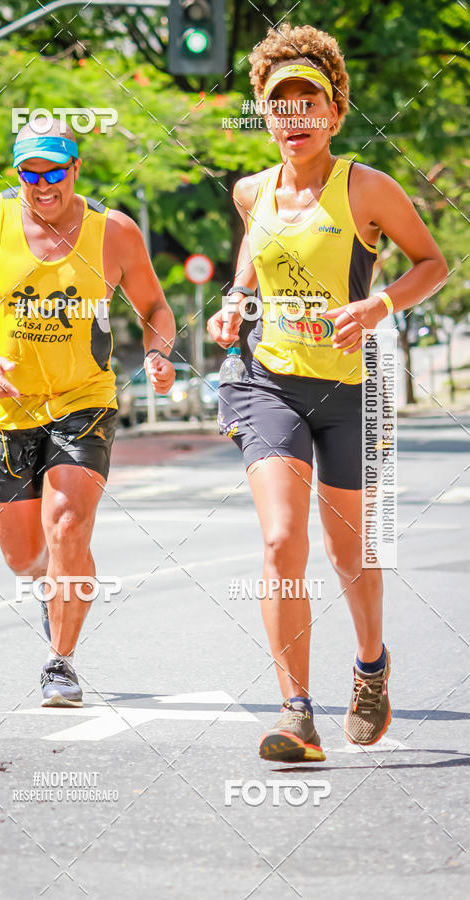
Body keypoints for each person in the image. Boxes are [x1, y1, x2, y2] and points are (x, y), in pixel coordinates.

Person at [208, 23, 447, 761]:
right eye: (281, 104)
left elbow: (432, 265)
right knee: (282, 539)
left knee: (351, 555)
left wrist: (379, 307)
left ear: (335, 112)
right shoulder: (254, 191)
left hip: (348, 392)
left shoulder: (367, 188)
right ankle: (296, 713)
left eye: (310, 101)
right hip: (268, 382)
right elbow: (250, 258)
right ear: (266, 113)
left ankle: (371, 666)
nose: (295, 116)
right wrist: (233, 301)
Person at [0, 121, 175, 707]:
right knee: (25, 557)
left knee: (68, 523)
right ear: (17, 172)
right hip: (6, 408)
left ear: (75, 169)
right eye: (30, 173)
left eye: (54, 171)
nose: (42, 184)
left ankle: (61, 662)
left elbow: (154, 306)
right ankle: (62, 583)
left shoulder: (113, 232)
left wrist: (157, 353)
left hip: (84, 402)